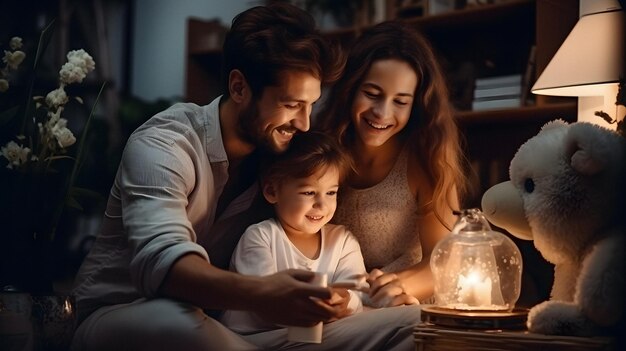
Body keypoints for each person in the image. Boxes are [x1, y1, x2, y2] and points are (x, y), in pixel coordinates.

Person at [71, 4, 421, 351]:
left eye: (310, 105)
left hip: (235, 330)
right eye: (291, 104)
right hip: (125, 313)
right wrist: (265, 293)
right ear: (239, 88)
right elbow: (165, 266)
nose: (304, 124)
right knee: (177, 317)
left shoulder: (280, 156)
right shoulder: (164, 144)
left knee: (415, 323)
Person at [315, 20, 471, 308]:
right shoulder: (322, 147)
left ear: (417, 104)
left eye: (400, 101)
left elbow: (446, 260)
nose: (382, 113)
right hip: (333, 302)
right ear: (350, 89)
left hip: (403, 300)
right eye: (372, 94)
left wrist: (395, 286)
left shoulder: (427, 156)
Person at [221, 131, 366, 338]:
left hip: (320, 334)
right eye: (308, 192)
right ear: (272, 192)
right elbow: (268, 301)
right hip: (258, 338)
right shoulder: (260, 237)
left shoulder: (342, 241)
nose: (321, 205)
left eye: (331, 192)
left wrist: (345, 300)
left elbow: (358, 295)